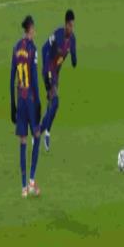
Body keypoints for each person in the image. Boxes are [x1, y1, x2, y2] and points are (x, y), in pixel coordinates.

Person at [10, 15, 42, 198]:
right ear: (30, 29)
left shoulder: (16, 48)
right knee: (37, 135)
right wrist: (38, 103)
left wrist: (12, 104)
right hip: (29, 99)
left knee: (22, 141)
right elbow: (35, 80)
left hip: (20, 99)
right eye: (34, 29)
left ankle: (23, 188)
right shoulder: (32, 49)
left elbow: (11, 78)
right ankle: (31, 181)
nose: (35, 32)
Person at [40, 10, 77, 152]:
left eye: (73, 26)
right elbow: (44, 48)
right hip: (49, 71)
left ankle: (39, 132)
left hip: (56, 74)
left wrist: (74, 59)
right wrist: (46, 71)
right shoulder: (57, 34)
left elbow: (73, 59)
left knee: (53, 107)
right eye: (70, 25)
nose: (72, 28)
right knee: (55, 102)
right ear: (66, 24)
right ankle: (46, 133)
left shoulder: (72, 39)